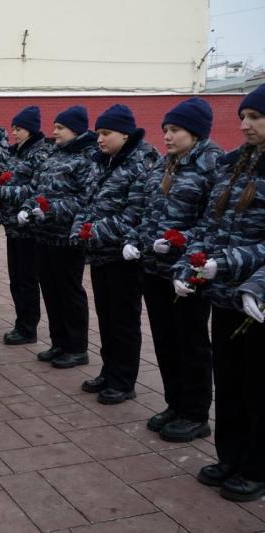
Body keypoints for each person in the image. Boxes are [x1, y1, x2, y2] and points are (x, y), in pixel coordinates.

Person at [174, 84, 265, 501]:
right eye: (244, 116)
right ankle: (231, 457)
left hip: (258, 301)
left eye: (255, 118)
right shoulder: (234, 166)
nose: (245, 124)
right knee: (229, 380)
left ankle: (257, 468)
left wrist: (225, 264)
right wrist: (192, 263)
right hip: (226, 297)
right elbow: (210, 225)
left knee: (257, 387)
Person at [122, 97, 222, 442]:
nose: (166, 136)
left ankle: (195, 412)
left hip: (187, 271)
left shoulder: (213, 165)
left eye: (175, 130)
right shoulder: (165, 165)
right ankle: (174, 403)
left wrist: (181, 240)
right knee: (165, 339)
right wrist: (138, 239)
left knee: (191, 341)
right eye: (165, 129)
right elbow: (147, 212)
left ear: (194, 132)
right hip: (153, 267)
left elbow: (214, 223)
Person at [70, 104, 158, 404]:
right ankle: (109, 371)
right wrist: (79, 228)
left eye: (106, 133)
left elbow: (135, 214)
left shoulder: (140, 164)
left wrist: (91, 231)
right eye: (98, 133)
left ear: (125, 133)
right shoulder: (104, 162)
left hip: (124, 256)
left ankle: (124, 380)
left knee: (123, 320)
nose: (100, 139)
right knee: (106, 317)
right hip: (101, 254)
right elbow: (88, 202)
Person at [16, 106, 95, 368]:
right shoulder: (53, 155)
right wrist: (29, 208)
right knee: (50, 291)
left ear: (76, 129)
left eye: (60, 128)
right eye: (55, 126)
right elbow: (38, 188)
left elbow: (84, 201)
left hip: (67, 238)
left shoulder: (86, 159)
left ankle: (77, 347)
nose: (54, 132)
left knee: (69, 292)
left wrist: (49, 210)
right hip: (44, 235)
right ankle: (59, 342)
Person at [0, 106, 51, 345]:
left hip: (28, 227)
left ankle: (28, 327)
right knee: (16, 278)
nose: (14, 133)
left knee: (27, 280)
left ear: (30, 129)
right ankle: (21, 323)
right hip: (12, 225)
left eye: (18, 128)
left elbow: (35, 189)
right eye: (13, 128)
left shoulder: (39, 154)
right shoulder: (16, 153)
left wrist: (1, 192)